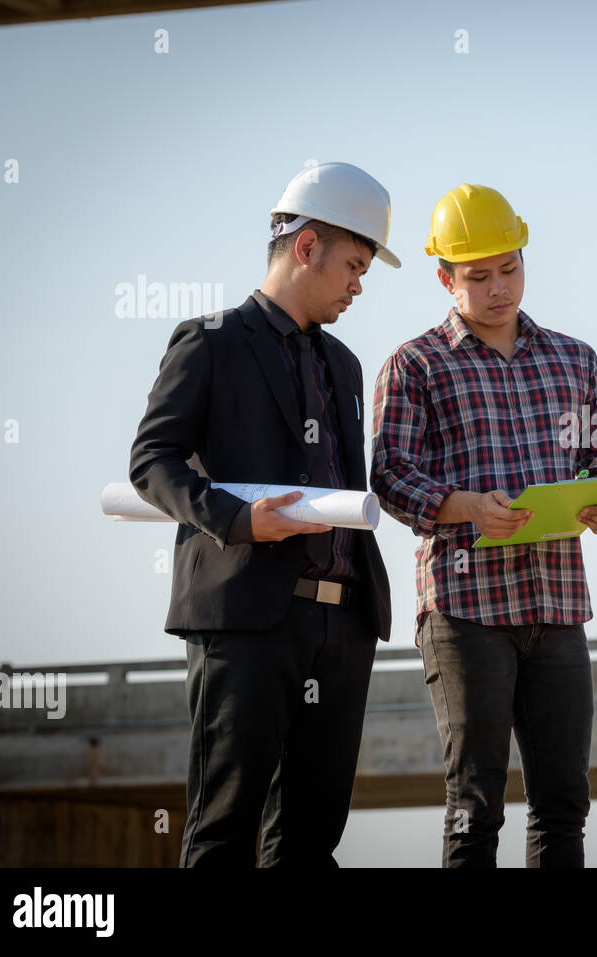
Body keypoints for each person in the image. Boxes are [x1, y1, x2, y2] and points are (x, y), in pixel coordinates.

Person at [129, 162, 398, 867]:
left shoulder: (342, 363)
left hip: (342, 623)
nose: (359, 284)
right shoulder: (210, 341)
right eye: (354, 264)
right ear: (306, 247)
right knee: (223, 833)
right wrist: (239, 520)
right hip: (245, 619)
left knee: (310, 842)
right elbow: (152, 461)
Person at [371, 183, 597, 867]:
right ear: (444, 279)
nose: (498, 288)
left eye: (509, 269)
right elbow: (390, 477)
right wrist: (464, 505)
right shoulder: (415, 365)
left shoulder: (575, 359)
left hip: (557, 603)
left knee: (563, 806)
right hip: (465, 613)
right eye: (478, 276)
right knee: (474, 805)